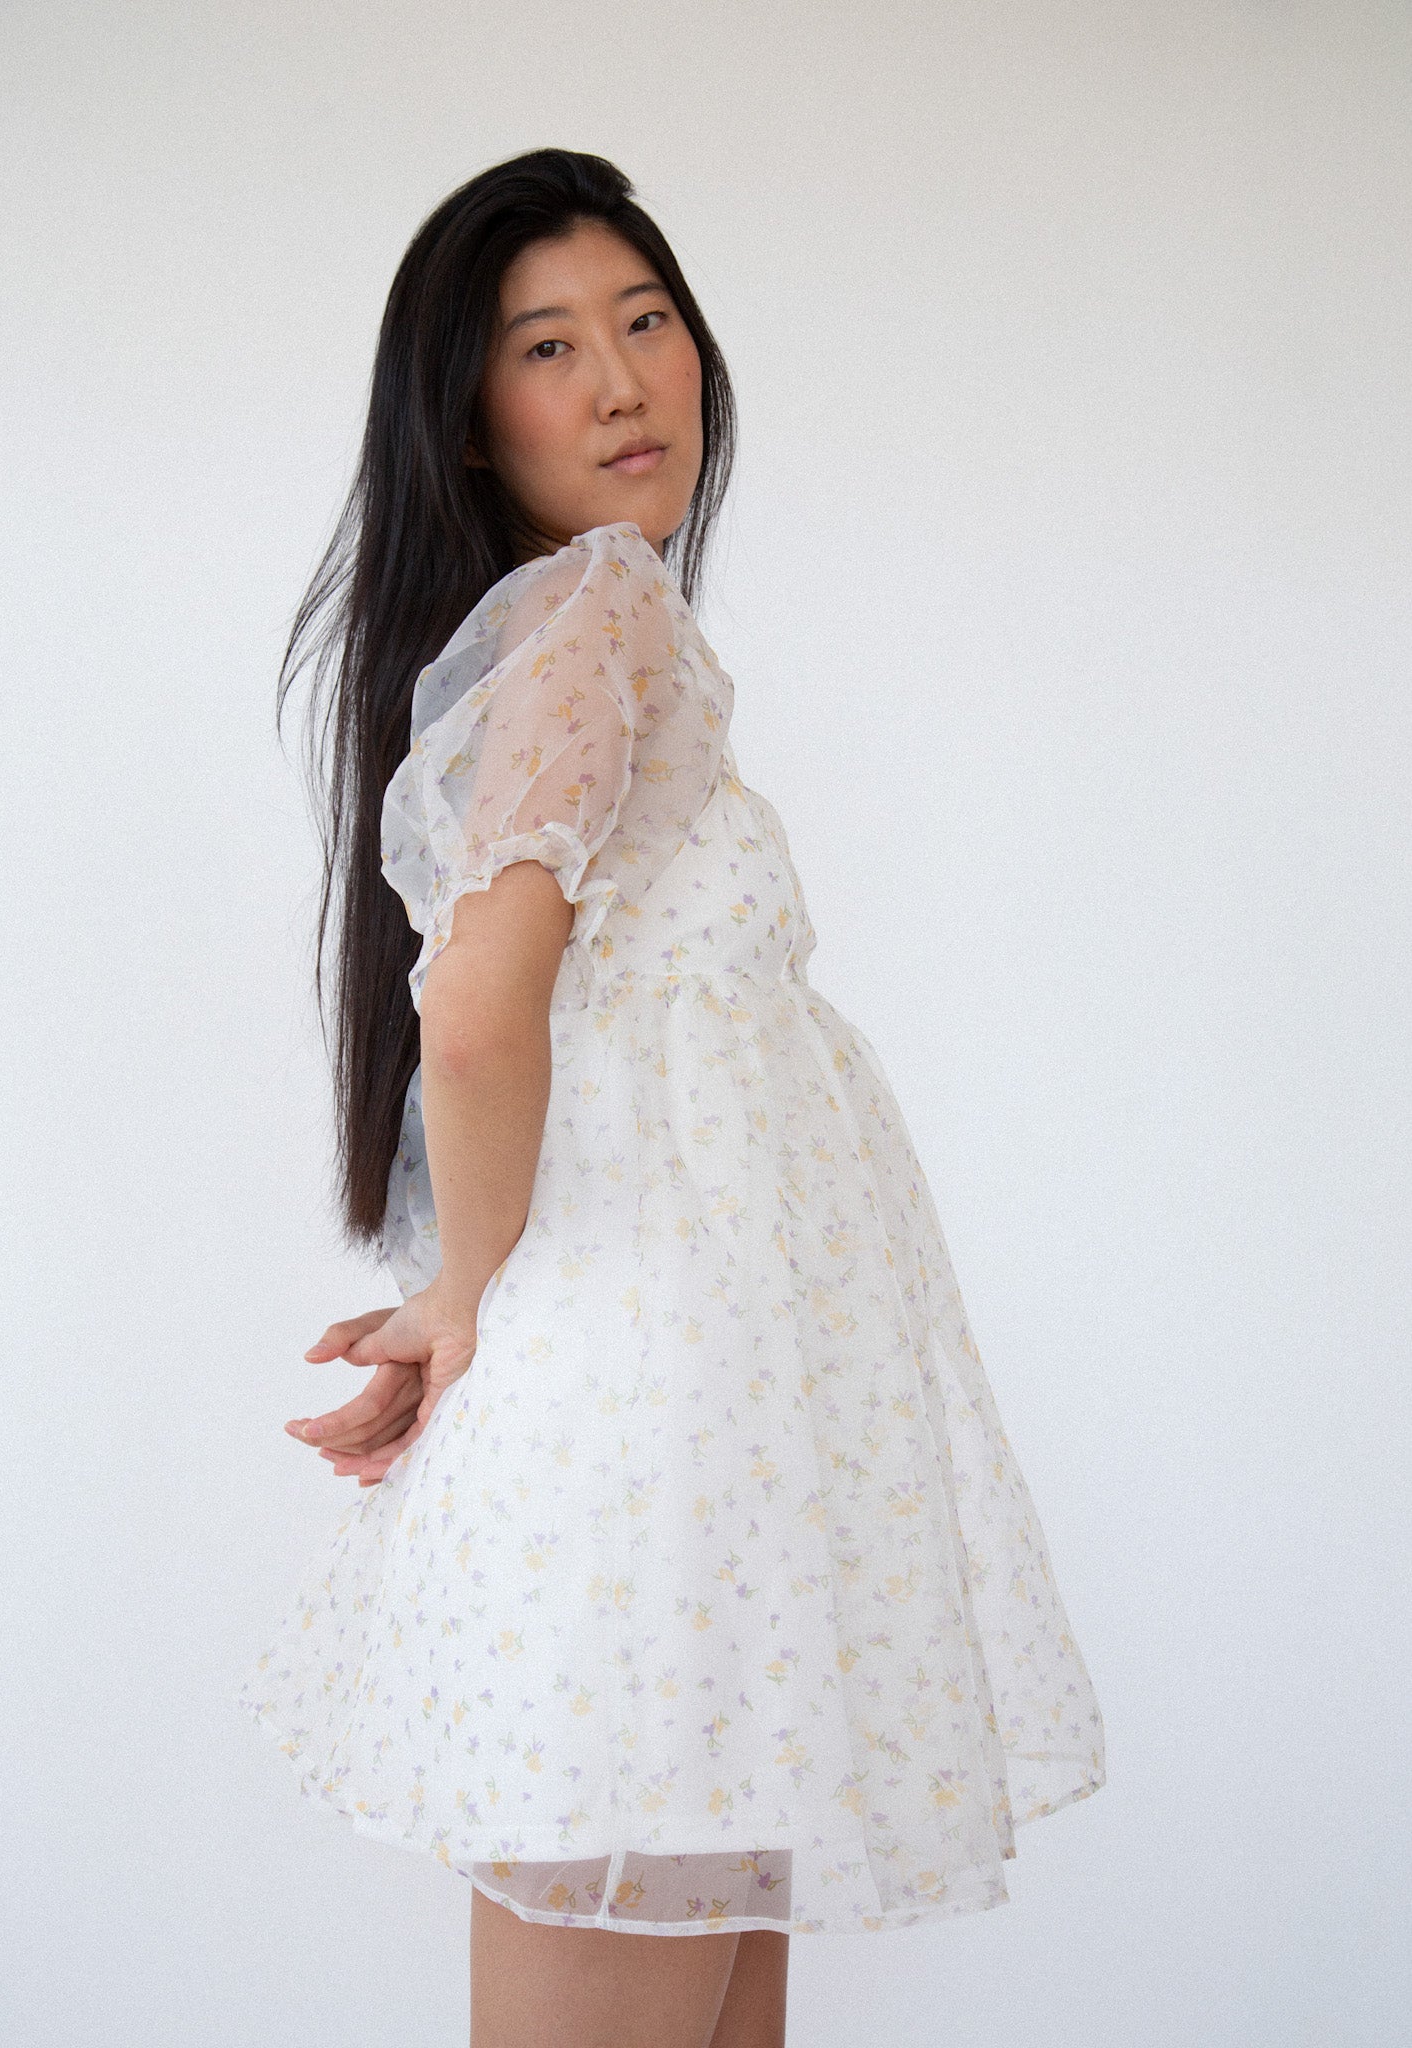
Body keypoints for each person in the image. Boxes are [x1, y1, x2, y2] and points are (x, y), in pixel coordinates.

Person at [240, 147, 1105, 2048]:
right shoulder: (599, 616)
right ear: (466, 417)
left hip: (698, 1428)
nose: (624, 382)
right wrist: (464, 1292)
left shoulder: (569, 634)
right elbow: (478, 1008)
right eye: (549, 346)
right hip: (658, 1428)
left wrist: (470, 1288)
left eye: (645, 322)